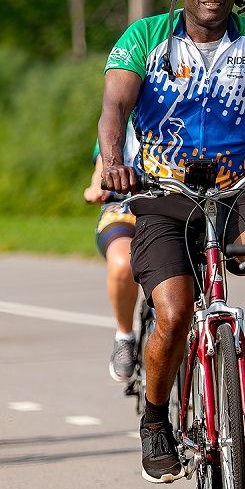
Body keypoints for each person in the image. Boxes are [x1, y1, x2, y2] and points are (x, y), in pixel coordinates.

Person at [98, 0, 245, 483]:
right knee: (176, 311)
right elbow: (115, 105)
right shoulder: (147, 37)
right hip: (164, 193)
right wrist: (113, 160)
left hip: (237, 187)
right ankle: (156, 420)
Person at [83, 120, 141, 385]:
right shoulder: (121, 112)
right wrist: (97, 185)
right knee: (122, 264)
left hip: (175, 204)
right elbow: (102, 165)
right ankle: (124, 335)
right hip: (124, 208)